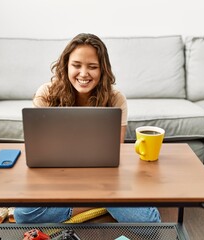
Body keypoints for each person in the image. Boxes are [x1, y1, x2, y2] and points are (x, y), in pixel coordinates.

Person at [14, 33, 160, 224]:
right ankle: (98, 203)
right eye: (76, 65)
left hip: (103, 179)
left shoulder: (116, 99)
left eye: (92, 67)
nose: (84, 73)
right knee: (22, 215)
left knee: (149, 221)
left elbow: (115, 152)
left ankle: (87, 202)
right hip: (57, 178)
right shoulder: (46, 95)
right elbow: (38, 152)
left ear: (102, 70)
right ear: (66, 65)